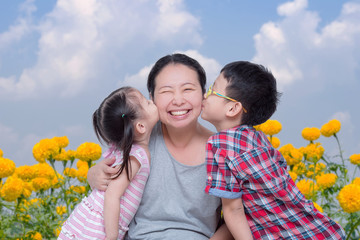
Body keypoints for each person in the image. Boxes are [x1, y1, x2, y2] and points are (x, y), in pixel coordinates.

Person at [87, 53, 234, 239]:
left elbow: (237, 215)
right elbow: (107, 180)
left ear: (204, 94)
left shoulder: (226, 150)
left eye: (188, 89)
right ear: (151, 99)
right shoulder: (140, 139)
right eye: (166, 91)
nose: (178, 100)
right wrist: (93, 174)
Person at [202, 61, 346, 239]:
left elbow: (234, 210)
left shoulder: (219, 144)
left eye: (212, 90)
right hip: (318, 230)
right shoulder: (258, 139)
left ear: (233, 108)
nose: (205, 96)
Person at [58, 86, 159, 240]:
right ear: (140, 126)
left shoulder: (125, 149)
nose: (152, 101)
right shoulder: (136, 156)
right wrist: (112, 237)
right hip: (98, 227)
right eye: (147, 102)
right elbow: (112, 195)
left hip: (90, 220)